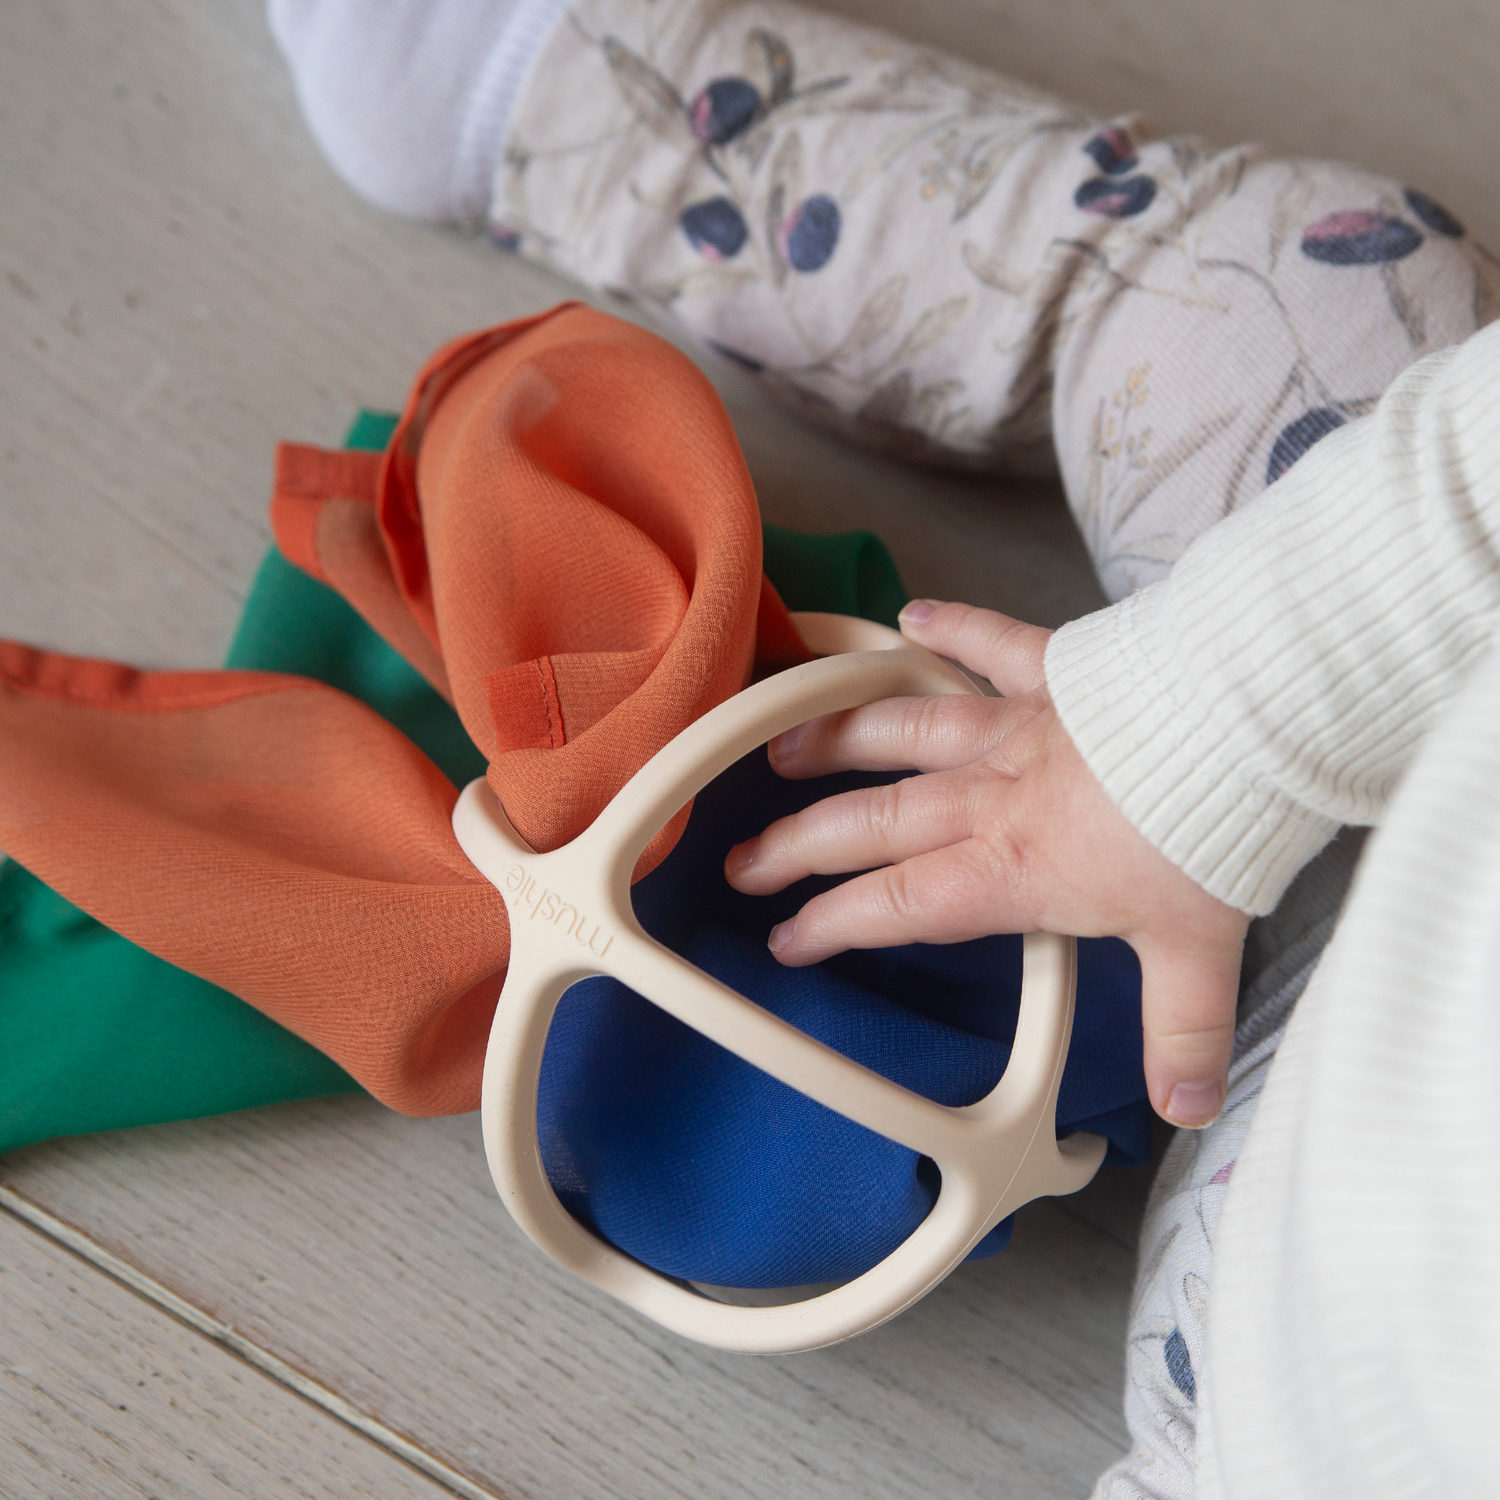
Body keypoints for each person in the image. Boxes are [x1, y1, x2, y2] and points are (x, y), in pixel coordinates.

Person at [268, 1, 1500, 1491]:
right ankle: (562, 97)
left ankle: (579, 98)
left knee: (1303, 299)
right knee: (1315, 296)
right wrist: (1206, 728)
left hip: (1299, 1361)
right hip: (1407, 911)